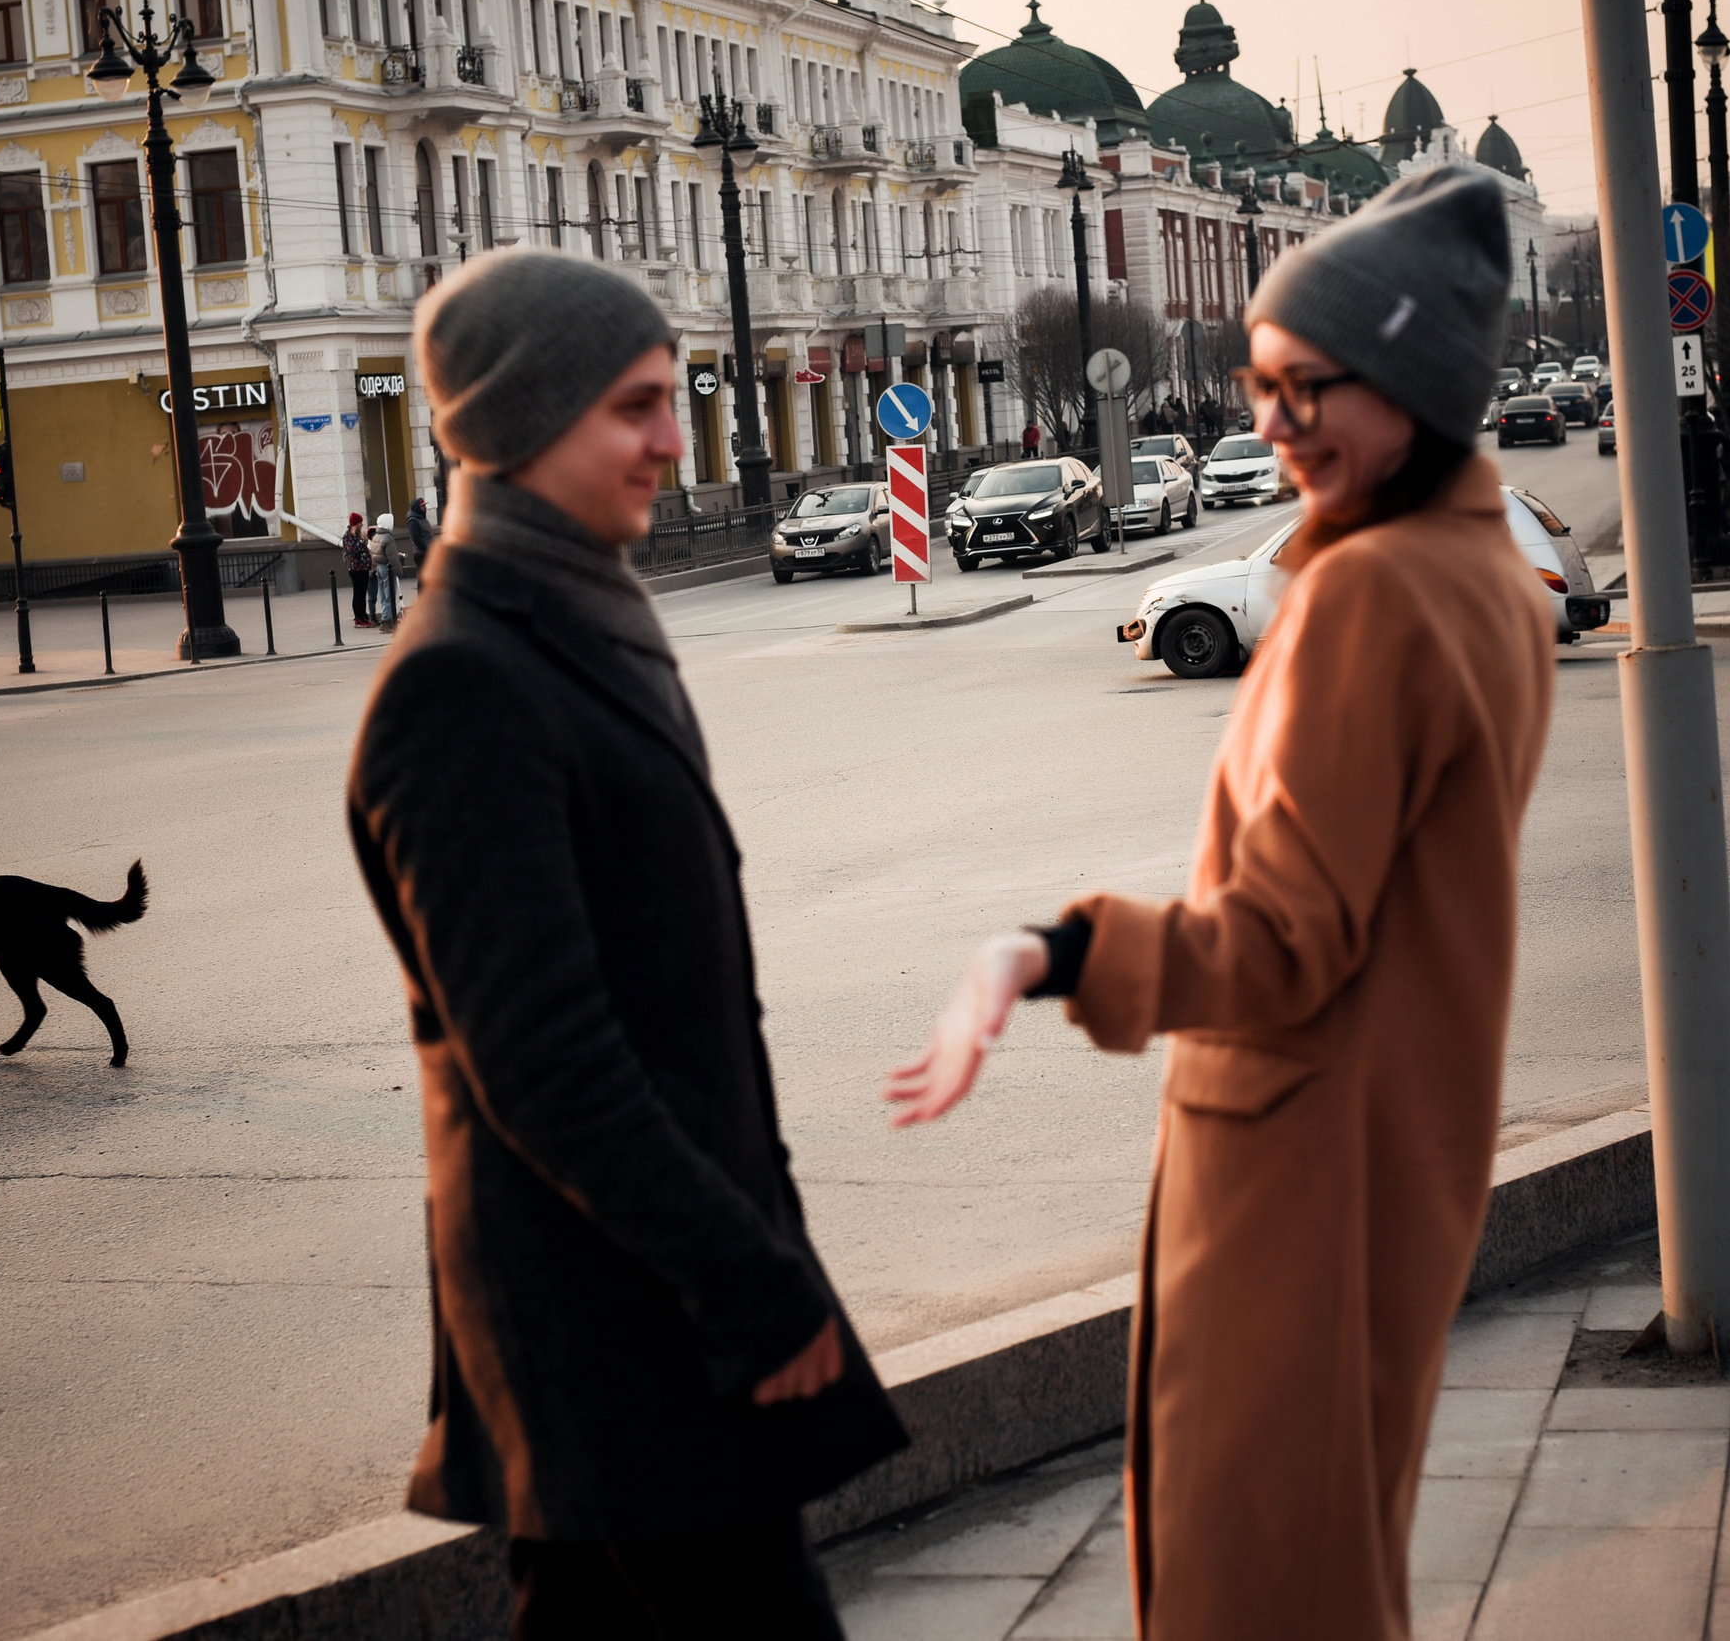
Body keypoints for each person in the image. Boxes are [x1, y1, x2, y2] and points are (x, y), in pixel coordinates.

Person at [886, 167, 1552, 1641]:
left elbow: (1280, 939)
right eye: (1264, 385)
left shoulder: (1369, 596)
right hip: (1394, 1151)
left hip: (1302, 1173)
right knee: (1331, 1559)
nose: (1271, 421)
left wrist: (1049, 950)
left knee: (1253, 1586)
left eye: (1315, 385)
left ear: (1415, 381)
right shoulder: (1486, 575)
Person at [346, 248, 906, 1640]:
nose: (674, 437)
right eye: (637, 406)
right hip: (614, 1324)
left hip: (640, 1314)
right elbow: (545, 1063)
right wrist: (751, 1283)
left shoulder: (578, 622)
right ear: (528, 419)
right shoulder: (463, 681)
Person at [341, 512, 373, 627]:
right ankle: (358, 618)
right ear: (355, 523)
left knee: (363, 593)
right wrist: (363, 541)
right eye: (360, 522)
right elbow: (354, 551)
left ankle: (363, 616)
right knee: (358, 593)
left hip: (363, 568)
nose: (362, 524)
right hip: (356, 568)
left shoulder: (358, 535)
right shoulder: (348, 536)